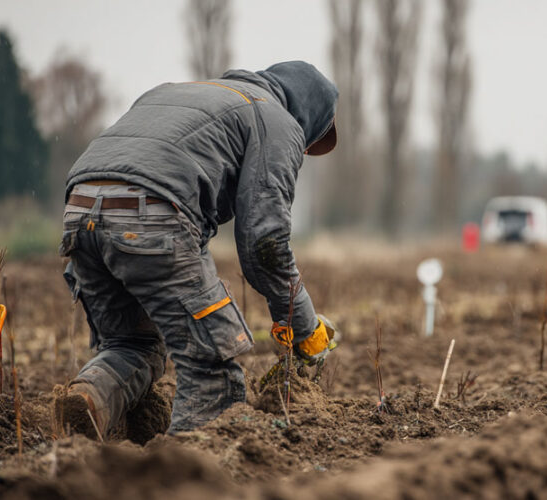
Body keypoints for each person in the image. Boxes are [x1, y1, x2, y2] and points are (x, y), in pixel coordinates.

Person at [54, 61, 338, 437]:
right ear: (309, 116)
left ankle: (89, 401)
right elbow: (265, 243)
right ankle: (185, 478)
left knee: (131, 343)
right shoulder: (278, 120)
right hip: (150, 212)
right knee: (212, 370)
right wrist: (301, 323)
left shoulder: (174, 92)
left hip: (79, 208)